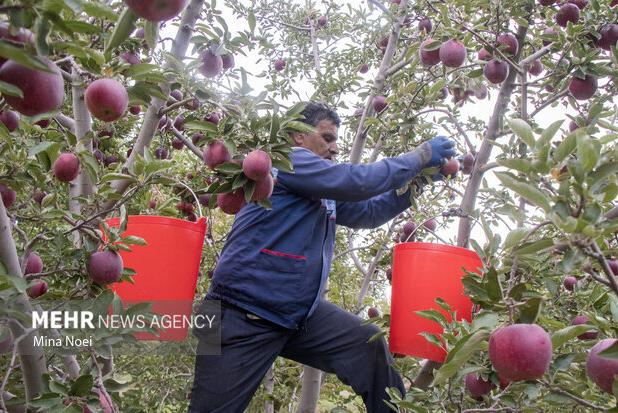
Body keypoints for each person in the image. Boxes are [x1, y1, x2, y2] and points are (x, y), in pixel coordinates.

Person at [189, 101, 456, 412]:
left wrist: (417, 183)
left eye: (336, 141)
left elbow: (368, 212)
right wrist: (418, 157)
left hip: (295, 314)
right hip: (236, 314)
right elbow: (356, 182)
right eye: (327, 138)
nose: (334, 148)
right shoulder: (285, 161)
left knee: (366, 344)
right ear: (297, 136)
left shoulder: (317, 187)